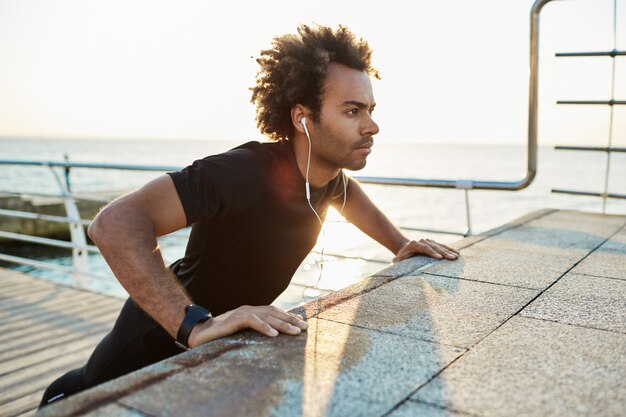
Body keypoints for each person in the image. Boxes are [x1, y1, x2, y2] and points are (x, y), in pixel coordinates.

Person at [39, 24, 459, 408]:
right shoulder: (244, 171)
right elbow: (113, 224)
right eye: (353, 111)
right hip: (151, 346)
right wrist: (195, 326)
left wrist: (399, 244)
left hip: (219, 350)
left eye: (370, 109)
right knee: (82, 396)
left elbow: (347, 195)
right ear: (302, 118)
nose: (372, 126)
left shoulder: (324, 174)